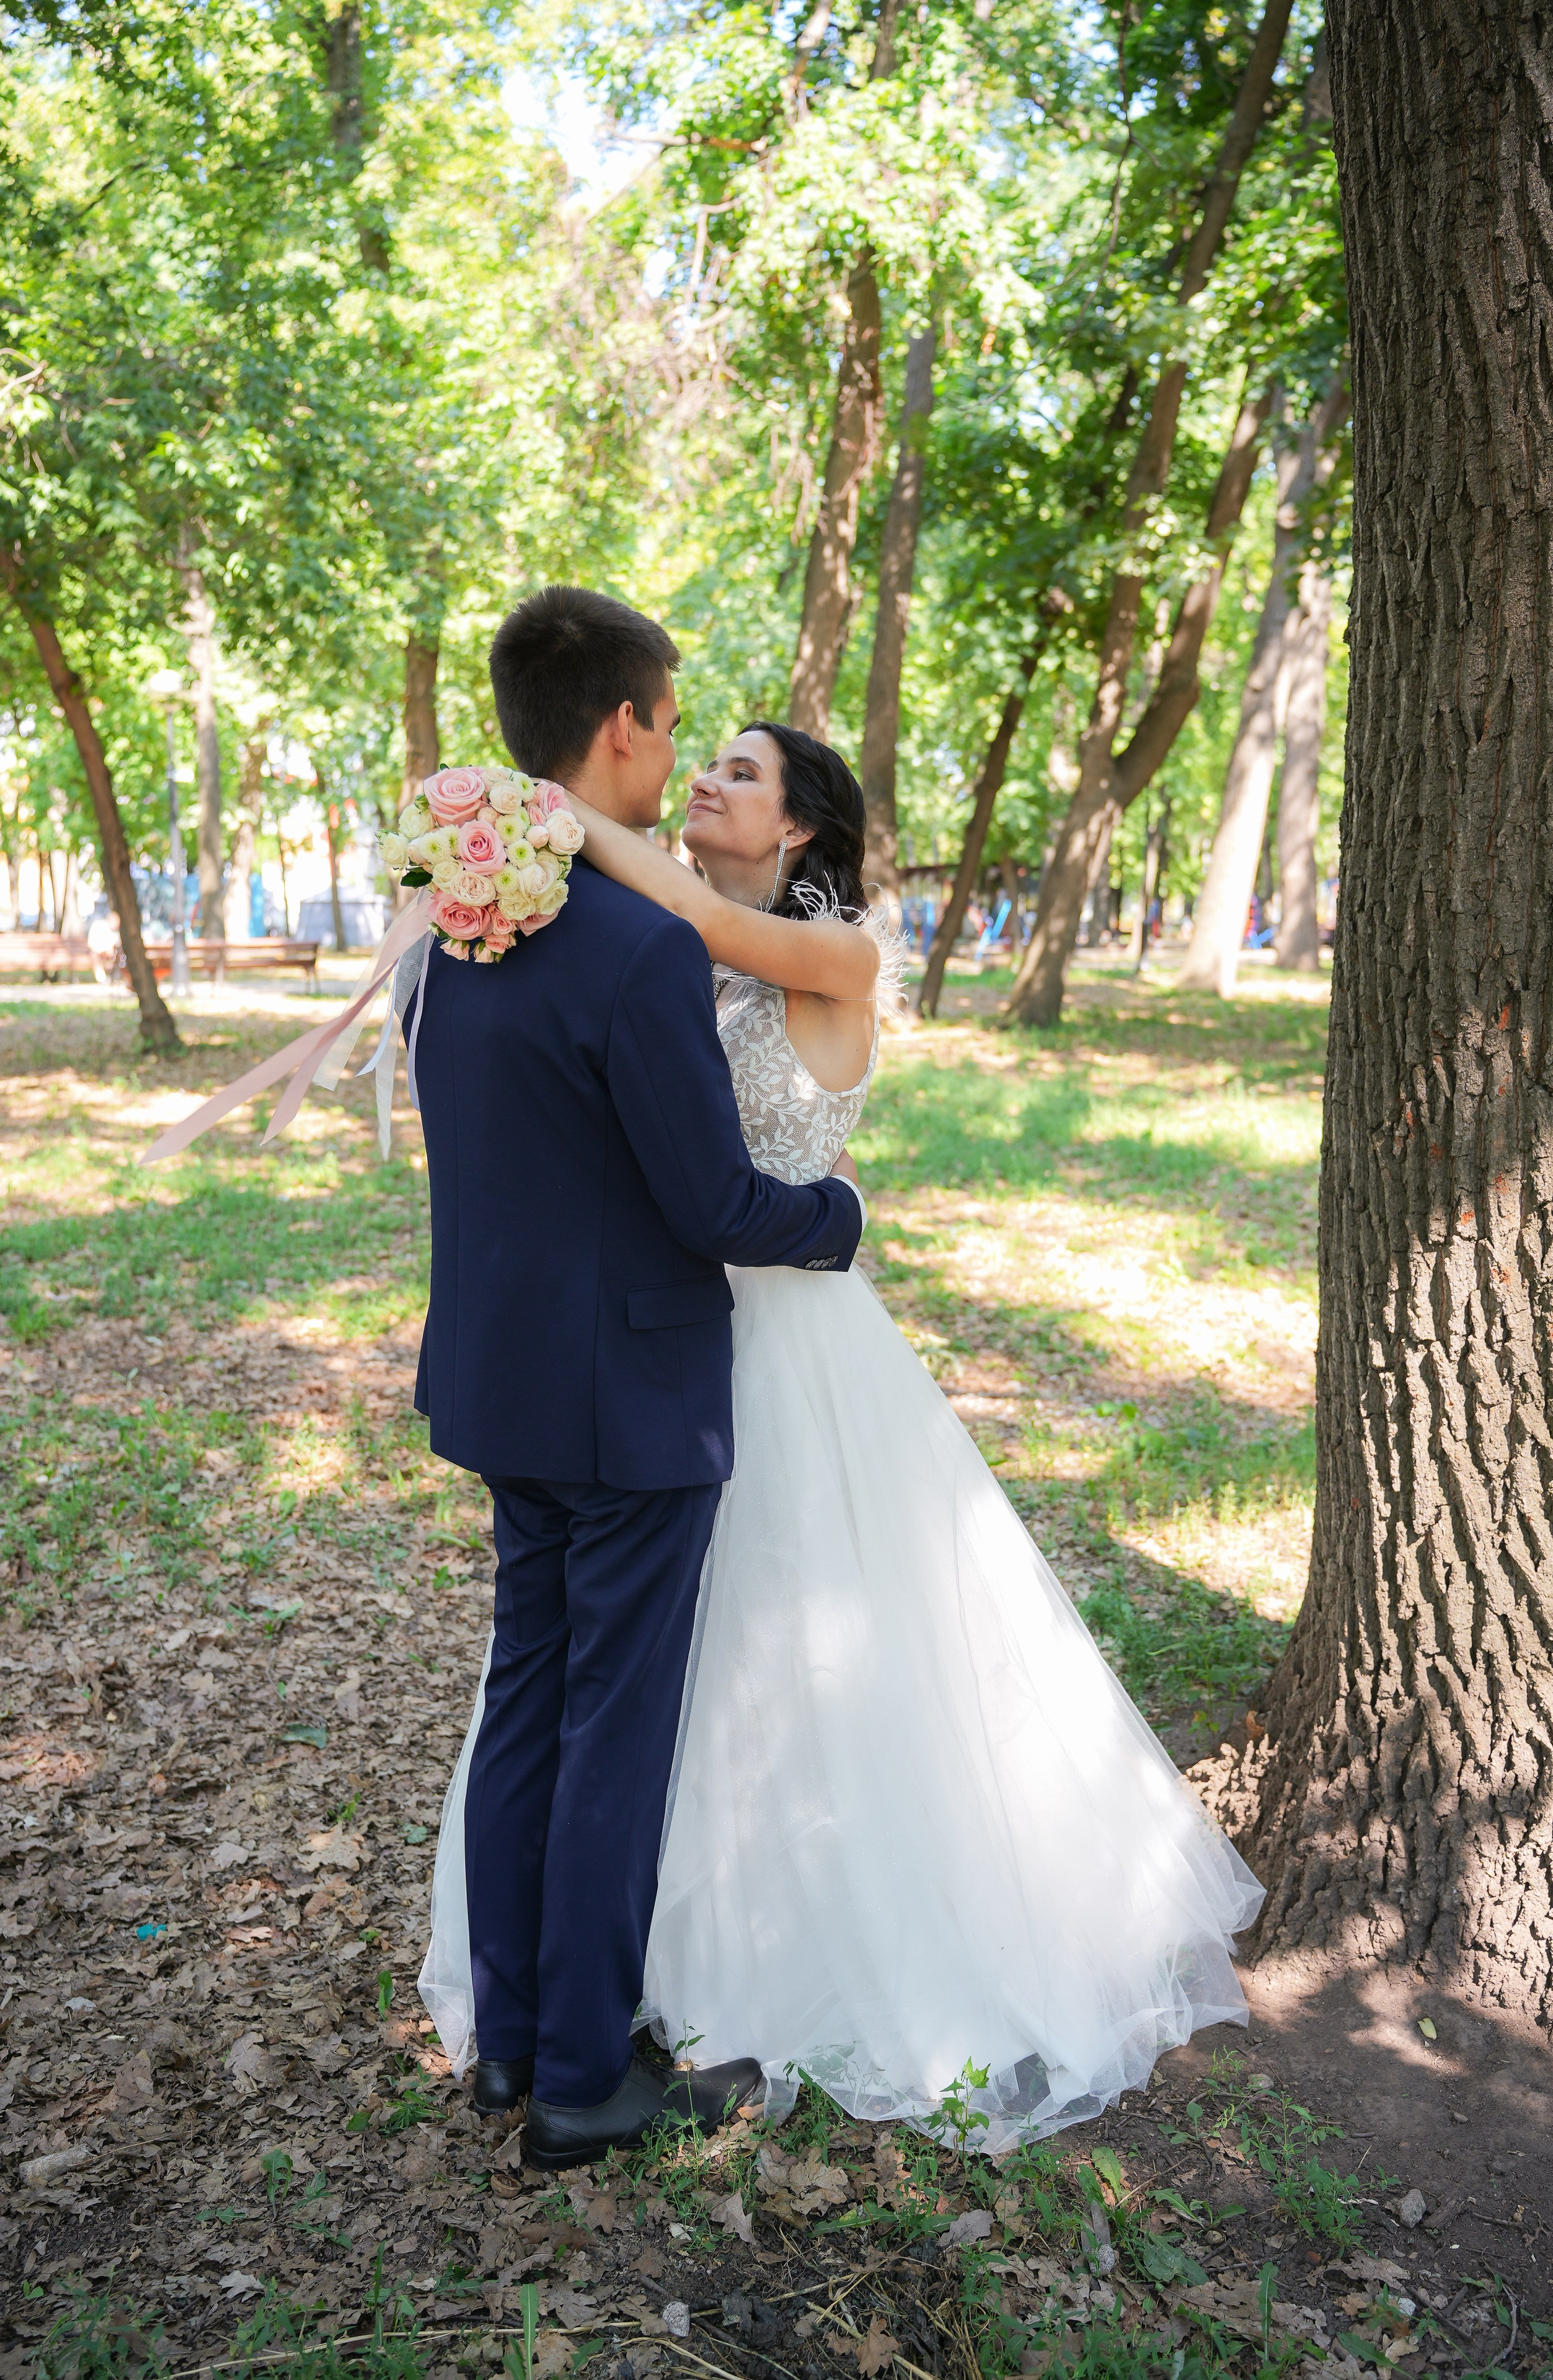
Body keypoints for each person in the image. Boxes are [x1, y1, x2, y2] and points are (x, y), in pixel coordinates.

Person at [422, 693, 1263, 2156]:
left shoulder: (826, 950)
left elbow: (688, 918)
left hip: (780, 1337)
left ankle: (730, 1974)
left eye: (741, 772)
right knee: (635, 1690)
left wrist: (540, 822)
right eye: (702, 760)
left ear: (800, 824)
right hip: (653, 1336)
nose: (706, 782)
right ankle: (589, 2009)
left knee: (784, 1654)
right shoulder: (650, 954)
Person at [410, 587, 865, 2173]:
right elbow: (715, 1208)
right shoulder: (633, 947)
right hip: (631, 1401)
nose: (677, 752)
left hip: (497, 1384)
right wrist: (844, 1219)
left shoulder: (459, 921)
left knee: (526, 1705)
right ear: (621, 728)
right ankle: (586, 2079)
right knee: (609, 1731)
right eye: (671, 724)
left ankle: (509, 2045)